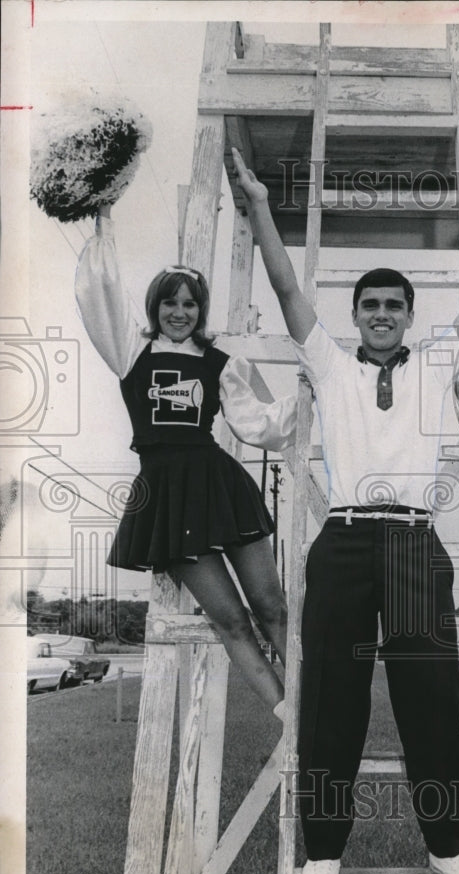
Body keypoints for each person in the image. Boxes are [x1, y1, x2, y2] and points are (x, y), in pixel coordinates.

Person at [231, 146, 459, 874]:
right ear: (355, 317)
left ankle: (451, 852)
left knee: (429, 701)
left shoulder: (439, 363)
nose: (378, 316)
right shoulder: (330, 367)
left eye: (391, 307)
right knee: (331, 699)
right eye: (368, 307)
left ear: (409, 316)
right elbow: (280, 284)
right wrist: (261, 207)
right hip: (341, 543)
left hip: (413, 543)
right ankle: (323, 858)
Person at [75, 205, 299, 716]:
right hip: (167, 498)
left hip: (219, 485)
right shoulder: (132, 353)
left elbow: (258, 425)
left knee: (273, 607)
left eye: (191, 304)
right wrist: (104, 223)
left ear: (201, 310)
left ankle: (319, 703)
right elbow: (100, 299)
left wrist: (306, 398)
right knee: (231, 618)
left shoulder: (220, 364)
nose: (180, 312)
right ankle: (288, 715)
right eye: (171, 303)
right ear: (156, 307)